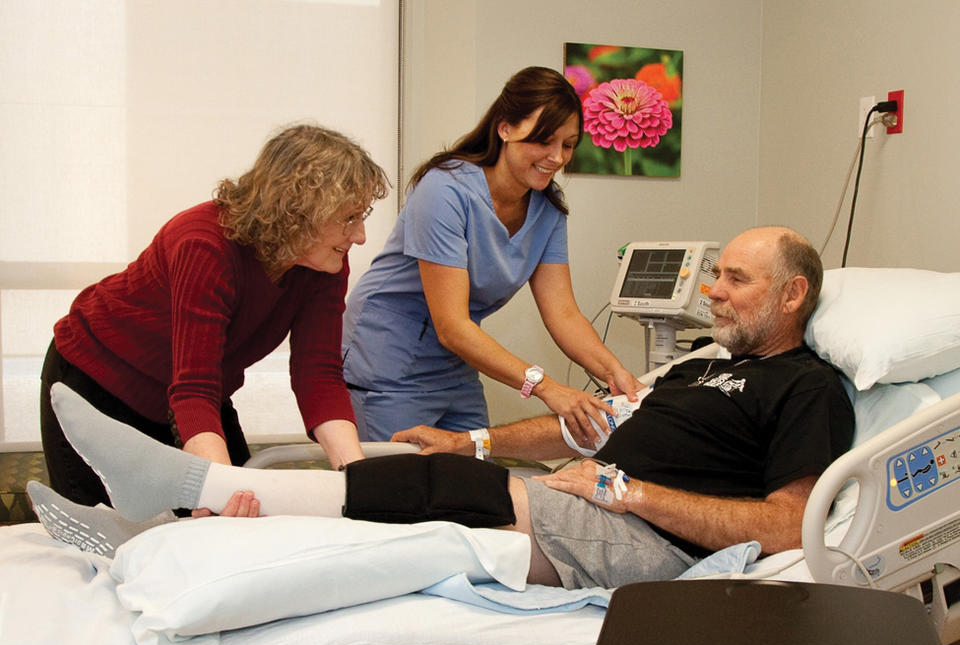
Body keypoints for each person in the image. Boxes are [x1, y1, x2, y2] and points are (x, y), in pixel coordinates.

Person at [30, 226, 855, 591]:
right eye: (714, 273)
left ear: (792, 294)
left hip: (645, 542)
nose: (711, 289)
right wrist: (475, 440)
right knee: (432, 474)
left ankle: (176, 512)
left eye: (734, 279)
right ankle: (157, 535)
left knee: (444, 502)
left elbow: (788, 526)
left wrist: (626, 493)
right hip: (583, 502)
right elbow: (587, 424)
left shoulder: (807, 388)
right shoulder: (688, 373)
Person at [40, 124, 390, 508]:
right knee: (117, 543)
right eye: (348, 218)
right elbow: (193, 387)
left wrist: (360, 484)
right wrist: (218, 495)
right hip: (99, 382)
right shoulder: (203, 243)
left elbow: (318, 375)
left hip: (196, 394)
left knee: (247, 513)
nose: (360, 236)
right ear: (298, 213)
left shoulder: (323, 262)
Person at [340, 66, 638, 445]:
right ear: (505, 128)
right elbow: (451, 326)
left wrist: (616, 373)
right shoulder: (445, 190)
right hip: (387, 364)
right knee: (399, 488)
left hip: (455, 364)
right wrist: (548, 388)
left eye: (568, 144)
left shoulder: (547, 208)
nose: (557, 157)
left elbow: (563, 313)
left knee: (476, 477)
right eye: (544, 141)